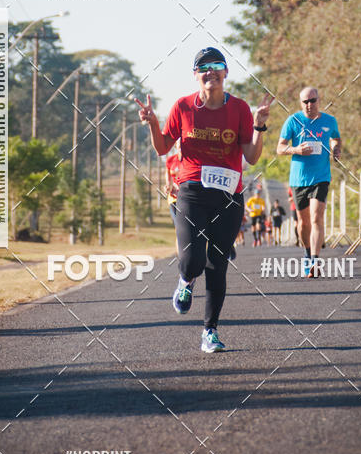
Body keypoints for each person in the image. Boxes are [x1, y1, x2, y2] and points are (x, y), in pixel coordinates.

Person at [136, 46, 273, 352]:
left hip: (228, 195)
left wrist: (260, 126)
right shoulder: (183, 107)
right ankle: (185, 281)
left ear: (226, 73)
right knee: (193, 259)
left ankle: (209, 331)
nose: (210, 71)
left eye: (216, 65)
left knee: (218, 264)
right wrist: (153, 124)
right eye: (203, 67)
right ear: (195, 75)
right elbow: (162, 148)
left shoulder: (239, 108)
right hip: (192, 191)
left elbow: (251, 156)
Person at [276, 87, 341, 276]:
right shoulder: (293, 121)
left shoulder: (329, 121)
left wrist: (336, 149)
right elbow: (280, 148)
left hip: (321, 177)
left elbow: (336, 138)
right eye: (305, 101)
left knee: (316, 217)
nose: (309, 105)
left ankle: (315, 260)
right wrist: (295, 150)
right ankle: (306, 253)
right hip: (298, 179)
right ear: (300, 103)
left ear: (319, 100)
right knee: (303, 223)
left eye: (312, 100)